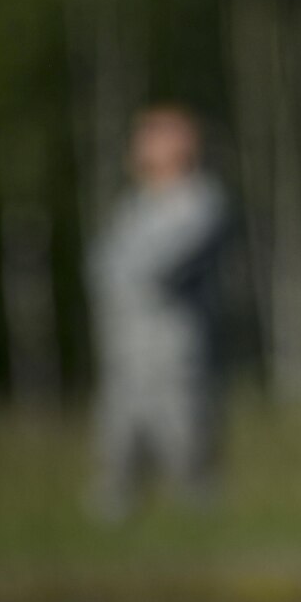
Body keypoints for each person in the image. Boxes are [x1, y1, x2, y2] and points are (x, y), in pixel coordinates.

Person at [86, 104, 229, 521]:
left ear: (181, 144)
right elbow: (100, 267)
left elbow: (153, 269)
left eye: (153, 134)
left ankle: (202, 547)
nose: (140, 145)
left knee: (190, 462)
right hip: (124, 356)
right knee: (114, 467)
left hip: (175, 359)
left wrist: (125, 272)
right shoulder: (134, 207)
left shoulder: (200, 202)